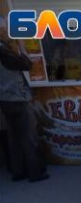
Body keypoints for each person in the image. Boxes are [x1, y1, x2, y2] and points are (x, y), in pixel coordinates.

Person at [0, 16, 48, 183]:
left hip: (5, 99)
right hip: (17, 98)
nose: (9, 33)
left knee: (13, 137)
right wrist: (21, 46)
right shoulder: (4, 51)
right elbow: (26, 64)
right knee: (29, 136)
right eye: (7, 29)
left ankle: (18, 171)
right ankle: (35, 173)